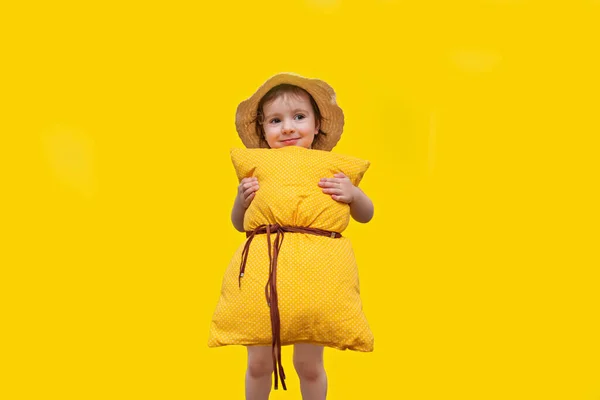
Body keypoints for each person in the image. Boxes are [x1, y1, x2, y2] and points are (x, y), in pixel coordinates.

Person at [217, 73, 374, 400]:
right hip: (264, 274)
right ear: (263, 131)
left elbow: (366, 215)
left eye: (298, 117)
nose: (287, 128)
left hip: (316, 277)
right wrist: (240, 200)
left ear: (317, 125)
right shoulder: (256, 170)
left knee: (309, 363)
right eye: (276, 121)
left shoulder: (333, 170)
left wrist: (353, 194)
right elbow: (238, 224)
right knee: (258, 362)